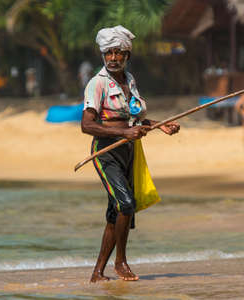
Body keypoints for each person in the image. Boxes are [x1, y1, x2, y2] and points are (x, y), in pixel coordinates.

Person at [80, 25, 180, 283]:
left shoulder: (130, 81)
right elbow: (86, 125)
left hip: (129, 152)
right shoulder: (97, 84)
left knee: (117, 211)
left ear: (127, 55)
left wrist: (160, 125)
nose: (113, 58)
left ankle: (97, 274)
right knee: (126, 204)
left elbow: (133, 120)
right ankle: (120, 262)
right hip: (105, 152)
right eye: (109, 53)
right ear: (103, 55)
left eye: (119, 53)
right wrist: (124, 134)